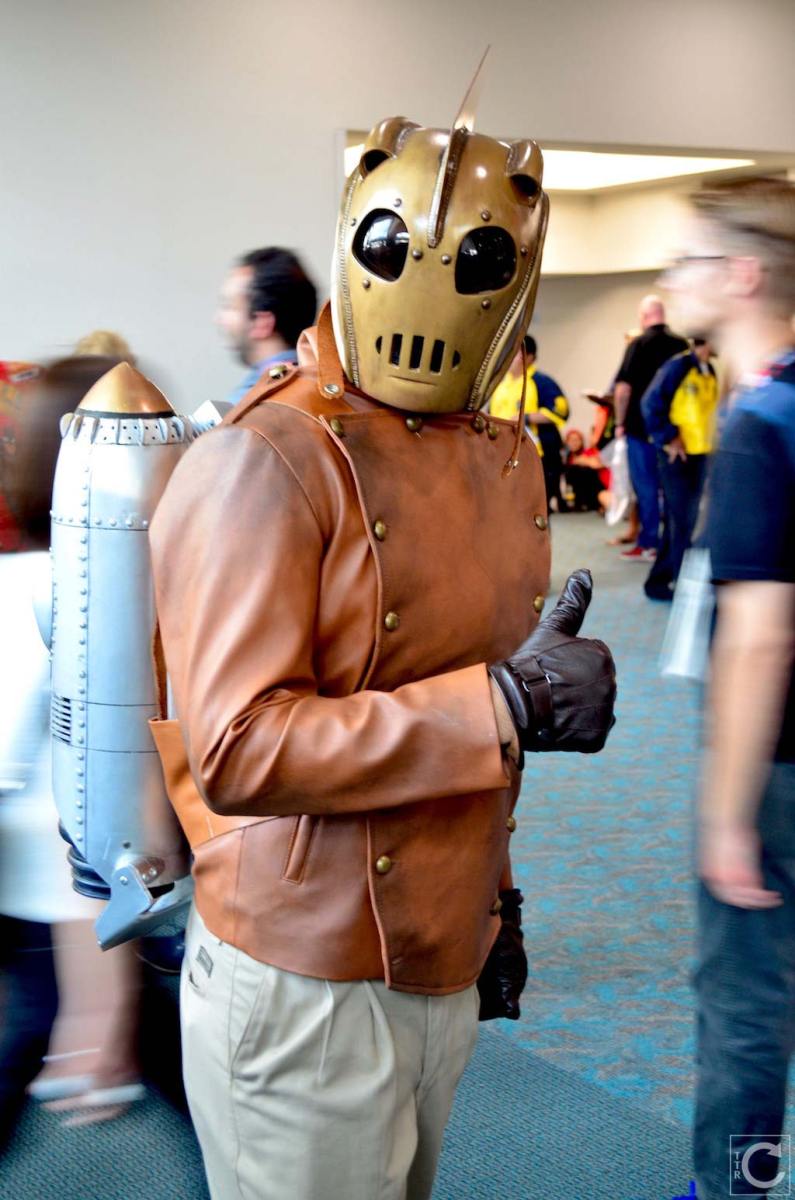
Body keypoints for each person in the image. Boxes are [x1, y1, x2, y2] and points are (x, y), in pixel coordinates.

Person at [150, 109, 616, 1200]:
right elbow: (238, 748)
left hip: (436, 959)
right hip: (301, 984)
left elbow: (462, 710)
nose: (433, 287)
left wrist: (493, 904)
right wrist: (506, 701)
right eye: (402, 252)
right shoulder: (266, 457)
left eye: (478, 263)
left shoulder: (500, 455)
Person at [662, 176, 795, 1200]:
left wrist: (724, 812)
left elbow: (758, 638)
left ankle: (732, 1187)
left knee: (745, 1000)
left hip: (781, 769)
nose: (674, 280)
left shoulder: (757, 423)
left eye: (690, 259)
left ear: (743, 276)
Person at [0, 353, 143, 1140]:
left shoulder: (36, 582)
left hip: (82, 906)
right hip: (79, 910)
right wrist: (99, 1010)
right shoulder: (60, 589)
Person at [641, 339, 718, 599]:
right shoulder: (677, 367)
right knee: (683, 520)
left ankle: (658, 581)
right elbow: (650, 404)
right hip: (677, 456)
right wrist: (669, 437)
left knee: (682, 520)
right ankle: (684, 585)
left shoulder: (709, 369)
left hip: (700, 455)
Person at [612, 296, 689, 560]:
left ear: (644, 316)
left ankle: (649, 544)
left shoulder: (637, 344)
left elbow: (623, 389)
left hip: (639, 428)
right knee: (672, 488)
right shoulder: (681, 346)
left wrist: (620, 423)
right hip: (675, 431)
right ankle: (673, 544)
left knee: (645, 488)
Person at [216, 246, 317, 404]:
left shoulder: (247, 404)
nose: (219, 319)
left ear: (262, 323)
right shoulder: (329, 385)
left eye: (230, 307)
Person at [490, 334, 569, 509]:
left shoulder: (541, 382)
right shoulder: (500, 385)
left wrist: (525, 418)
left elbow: (562, 410)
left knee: (535, 507)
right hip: (503, 453)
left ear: (529, 356)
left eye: (514, 352)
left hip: (537, 454)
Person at [563, 428, 610, 512]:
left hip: (600, 488)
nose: (574, 443)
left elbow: (596, 464)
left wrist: (582, 460)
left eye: (577, 440)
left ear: (582, 441)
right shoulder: (565, 458)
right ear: (566, 442)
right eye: (571, 440)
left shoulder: (589, 452)